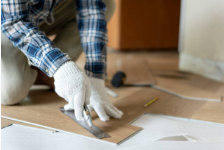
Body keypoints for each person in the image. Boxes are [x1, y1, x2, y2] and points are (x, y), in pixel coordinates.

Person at [1, 0, 123, 122]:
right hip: (7, 21)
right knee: (11, 93)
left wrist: (95, 79)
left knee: (106, 4)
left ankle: (46, 74)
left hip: (46, 12)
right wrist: (59, 66)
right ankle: (50, 70)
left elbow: (92, 10)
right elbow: (13, 22)